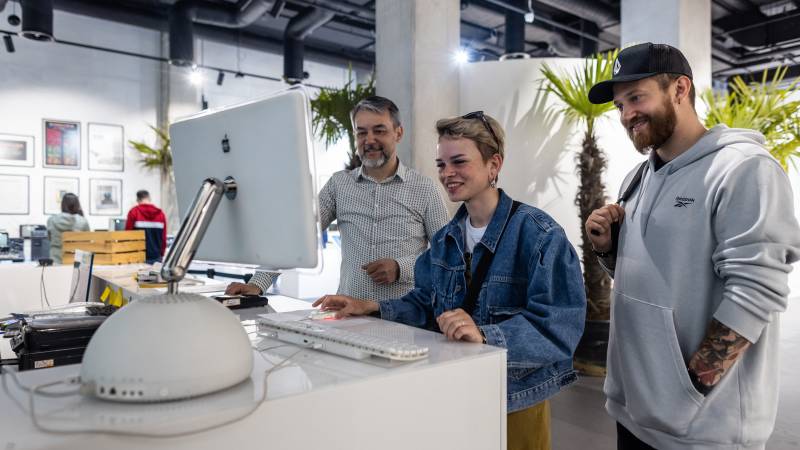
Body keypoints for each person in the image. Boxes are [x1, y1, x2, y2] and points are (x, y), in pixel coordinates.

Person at [313, 112, 586, 450]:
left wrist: (484, 334)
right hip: (455, 393)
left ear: (493, 164)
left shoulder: (540, 235)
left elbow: (560, 328)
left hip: (514, 402)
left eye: (459, 162)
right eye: (441, 164)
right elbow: (425, 303)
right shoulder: (445, 239)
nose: (447, 174)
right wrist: (370, 307)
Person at [585, 42, 800, 450]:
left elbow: (756, 293)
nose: (627, 114)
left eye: (636, 97)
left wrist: (684, 395)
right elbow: (650, 280)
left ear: (679, 89)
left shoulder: (743, 169)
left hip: (702, 432)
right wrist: (609, 250)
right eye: (619, 105)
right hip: (631, 413)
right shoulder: (637, 177)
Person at [226, 96, 449, 297]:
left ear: (398, 133)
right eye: (361, 132)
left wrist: (402, 268)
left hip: (404, 319)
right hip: (349, 314)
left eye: (379, 130)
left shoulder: (424, 189)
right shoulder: (339, 185)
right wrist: (258, 283)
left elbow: (447, 255)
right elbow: (297, 236)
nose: (369, 140)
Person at [125, 190, 167, 264]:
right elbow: (163, 237)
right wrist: (162, 254)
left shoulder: (134, 212)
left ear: (138, 200)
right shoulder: (161, 214)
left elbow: (127, 236)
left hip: (138, 257)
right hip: (156, 257)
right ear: (149, 198)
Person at [47, 193, 90, 264]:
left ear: (62, 205)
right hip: (76, 262)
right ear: (77, 205)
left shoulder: (51, 220)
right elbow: (87, 243)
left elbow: (50, 239)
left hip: (56, 261)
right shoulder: (83, 221)